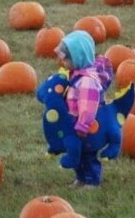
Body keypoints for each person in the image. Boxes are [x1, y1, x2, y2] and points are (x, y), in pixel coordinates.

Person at [54, 30, 114, 187]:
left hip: (88, 127)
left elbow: (88, 108)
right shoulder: (78, 75)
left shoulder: (87, 82)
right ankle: (80, 178)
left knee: (88, 155)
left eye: (66, 59)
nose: (63, 62)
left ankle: (92, 181)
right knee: (78, 154)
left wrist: (83, 125)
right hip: (77, 123)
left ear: (78, 58)